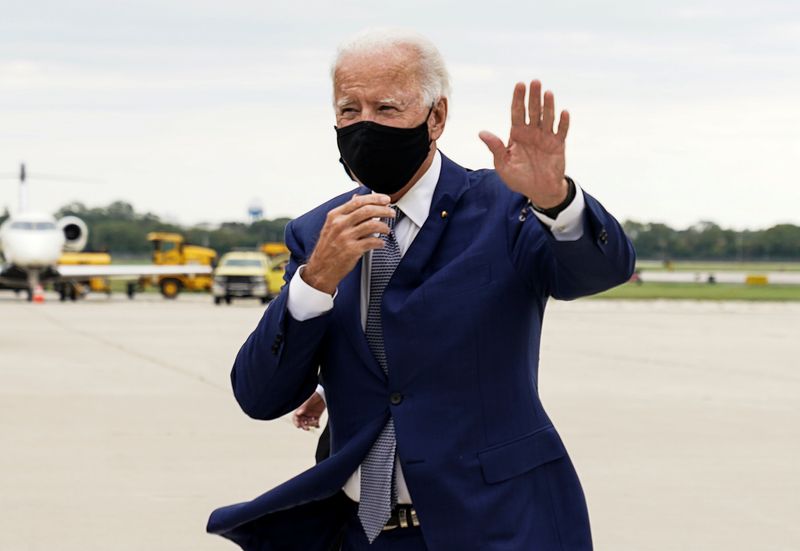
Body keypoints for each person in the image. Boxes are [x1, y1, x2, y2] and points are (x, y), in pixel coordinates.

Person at [207, 28, 635, 551]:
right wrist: (315, 281)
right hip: (363, 535)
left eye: (386, 108)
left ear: (436, 117)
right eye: (349, 110)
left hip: (498, 526)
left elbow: (596, 272)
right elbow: (259, 395)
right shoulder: (318, 232)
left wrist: (557, 202)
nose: (364, 125)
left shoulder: (507, 207)